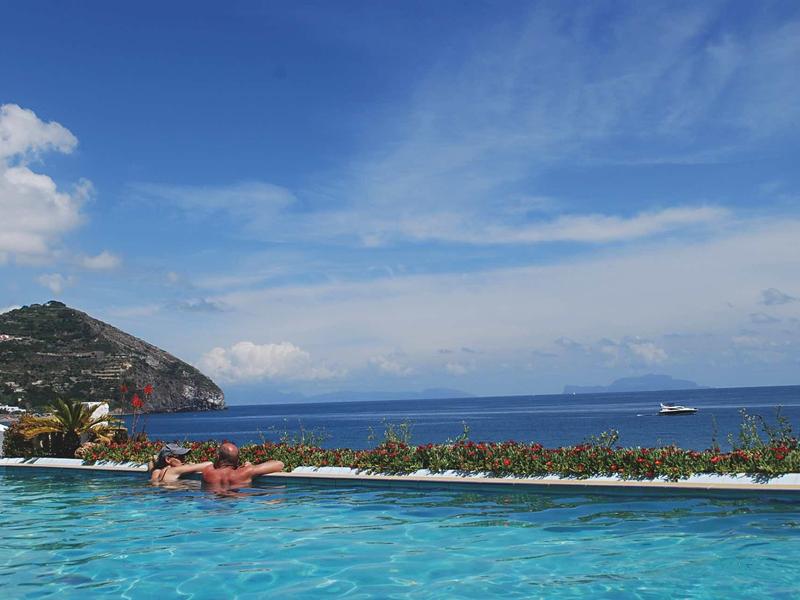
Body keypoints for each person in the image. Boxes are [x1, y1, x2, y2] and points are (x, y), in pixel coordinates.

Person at [201, 441, 284, 490]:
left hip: (213, 504)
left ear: (218, 457)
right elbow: (279, 464)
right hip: (238, 504)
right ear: (237, 460)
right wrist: (249, 466)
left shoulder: (207, 471)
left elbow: (211, 465)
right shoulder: (245, 472)